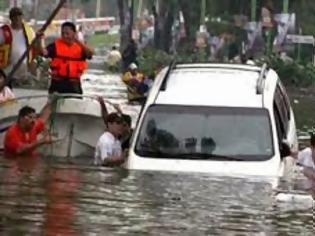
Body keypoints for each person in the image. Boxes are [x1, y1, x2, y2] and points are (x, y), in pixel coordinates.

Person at [38, 21, 94, 94]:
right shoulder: (55, 46)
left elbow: (90, 54)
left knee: (75, 103)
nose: (65, 36)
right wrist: (39, 40)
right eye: (63, 33)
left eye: (67, 33)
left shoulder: (81, 47)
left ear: (74, 33)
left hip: (74, 84)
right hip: (57, 84)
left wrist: (77, 41)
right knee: (54, 103)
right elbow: (43, 53)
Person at [0, 7, 35, 85]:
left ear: (22, 17)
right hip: (6, 69)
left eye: (19, 16)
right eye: (14, 16)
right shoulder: (3, 31)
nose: (17, 18)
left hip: (23, 68)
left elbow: (34, 48)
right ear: (10, 18)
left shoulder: (29, 31)